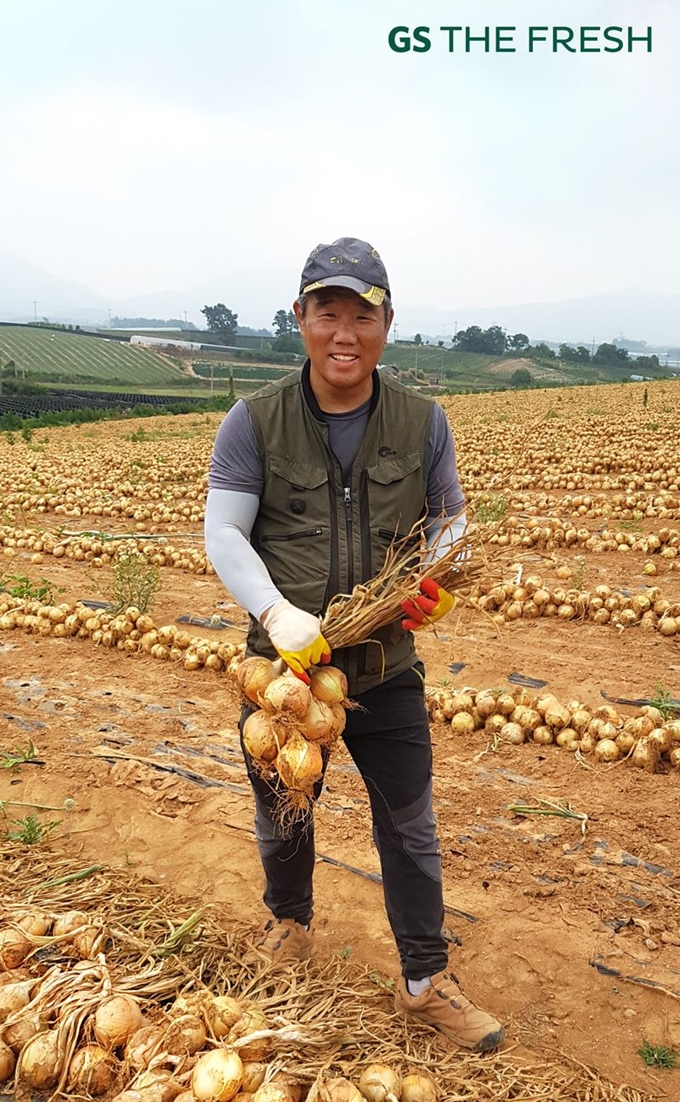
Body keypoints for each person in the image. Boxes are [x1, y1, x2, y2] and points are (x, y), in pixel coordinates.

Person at [205, 237, 504, 1052]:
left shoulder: (422, 420)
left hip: (384, 666)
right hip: (286, 670)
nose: (345, 331)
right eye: (327, 311)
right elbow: (224, 533)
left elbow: (450, 523)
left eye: (362, 314)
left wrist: (437, 576)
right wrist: (273, 615)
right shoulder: (254, 420)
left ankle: (424, 979)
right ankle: (289, 926)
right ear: (300, 317)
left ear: (387, 322)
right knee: (282, 809)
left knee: (409, 825)